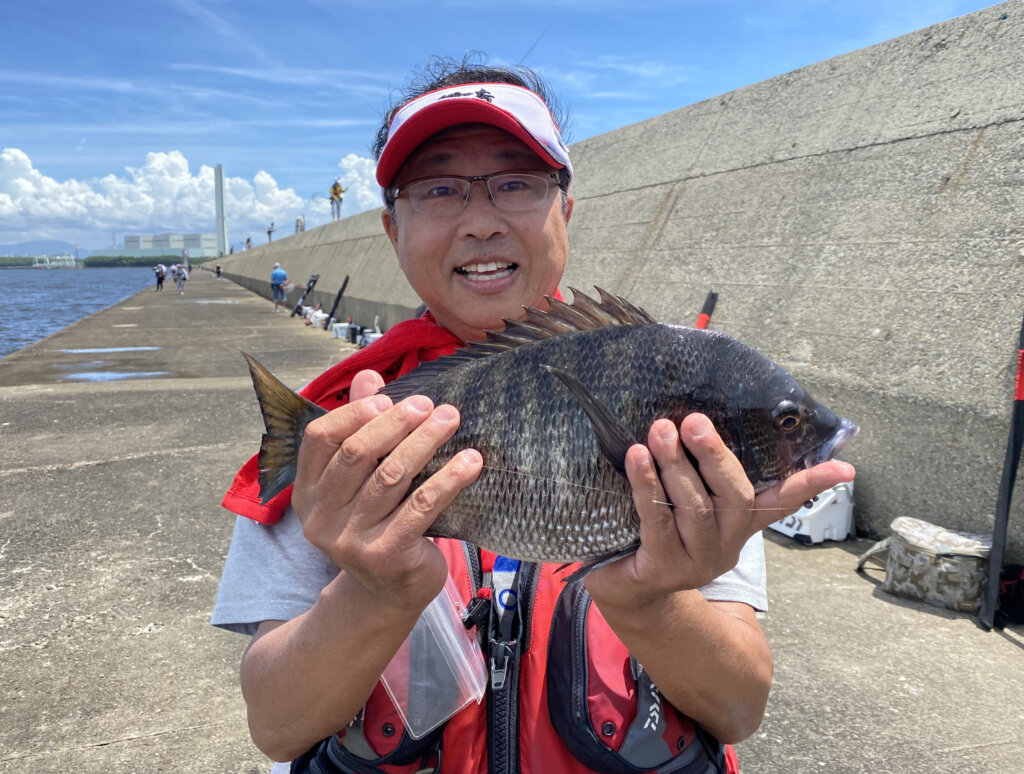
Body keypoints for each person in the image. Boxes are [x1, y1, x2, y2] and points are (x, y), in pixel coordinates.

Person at [212, 57, 855, 774]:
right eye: (440, 188)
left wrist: (650, 602)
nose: (481, 221)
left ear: (566, 210)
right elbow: (275, 725)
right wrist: (372, 593)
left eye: (516, 182)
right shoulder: (343, 433)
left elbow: (738, 709)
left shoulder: (684, 416)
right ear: (393, 228)